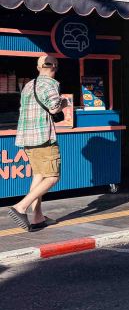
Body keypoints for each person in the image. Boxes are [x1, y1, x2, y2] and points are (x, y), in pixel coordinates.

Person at [6, 55, 69, 232]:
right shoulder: (50, 84)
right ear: (55, 66)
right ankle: (21, 207)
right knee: (52, 177)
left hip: (27, 138)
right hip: (43, 137)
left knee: (39, 175)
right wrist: (64, 102)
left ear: (38, 67)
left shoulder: (28, 85)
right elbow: (54, 108)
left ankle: (37, 217)